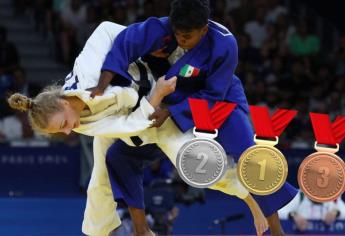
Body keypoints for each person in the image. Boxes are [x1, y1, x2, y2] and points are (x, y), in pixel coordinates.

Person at [91, 0, 297, 235]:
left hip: (219, 102)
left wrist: (170, 113)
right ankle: (141, 229)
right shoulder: (160, 29)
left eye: (187, 36)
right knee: (118, 155)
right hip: (167, 101)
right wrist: (102, 84)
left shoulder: (224, 43)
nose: (181, 40)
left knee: (251, 157)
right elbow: (124, 44)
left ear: (204, 29)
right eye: (177, 33)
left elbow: (212, 94)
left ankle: (277, 230)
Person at [8, 21, 176, 236]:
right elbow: (125, 126)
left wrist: (141, 43)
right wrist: (157, 97)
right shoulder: (81, 124)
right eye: (60, 132)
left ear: (64, 102)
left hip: (148, 69)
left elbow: (105, 28)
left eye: (63, 124)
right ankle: (98, 232)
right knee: (99, 178)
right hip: (136, 107)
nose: (68, 132)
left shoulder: (87, 72)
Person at [279, 190, 345, 232]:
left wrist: (336, 212)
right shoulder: (300, 196)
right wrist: (294, 215)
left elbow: (343, 211)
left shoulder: (332, 198)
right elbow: (279, 212)